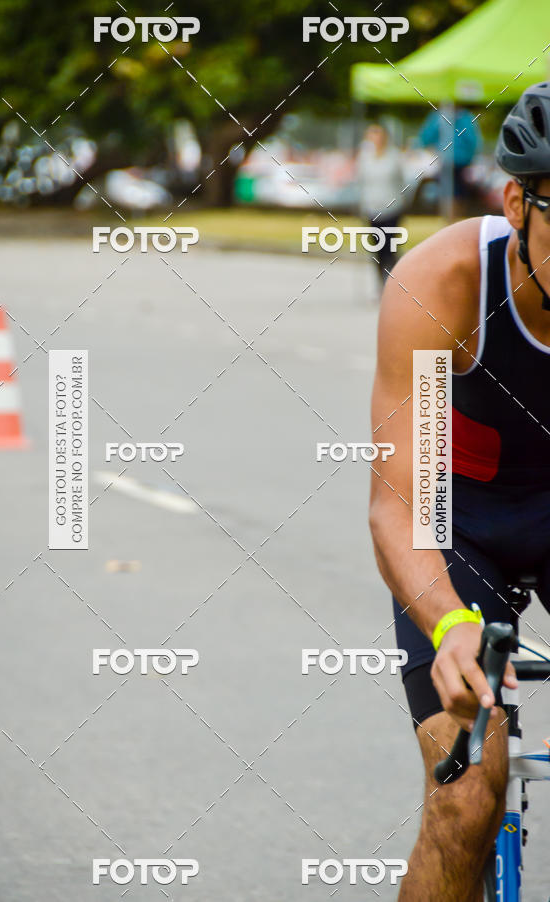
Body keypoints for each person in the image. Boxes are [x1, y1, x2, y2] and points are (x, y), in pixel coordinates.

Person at [369, 82, 550, 900]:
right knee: (467, 797)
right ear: (518, 200)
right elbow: (399, 501)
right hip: (459, 521)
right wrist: (448, 624)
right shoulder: (446, 285)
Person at [356, 124, 405, 286]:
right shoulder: (365, 156)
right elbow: (361, 181)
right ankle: (381, 283)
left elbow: (401, 180)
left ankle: (393, 280)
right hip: (372, 207)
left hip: (392, 206)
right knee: (377, 246)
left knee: (390, 246)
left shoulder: (394, 156)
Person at [418, 107, 481, 216]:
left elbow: (473, 142)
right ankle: (448, 221)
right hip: (444, 162)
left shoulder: (466, 118)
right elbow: (425, 138)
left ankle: (455, 221)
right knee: (445, 194)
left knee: (458, 195)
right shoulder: (437, 117)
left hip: (461, 163)